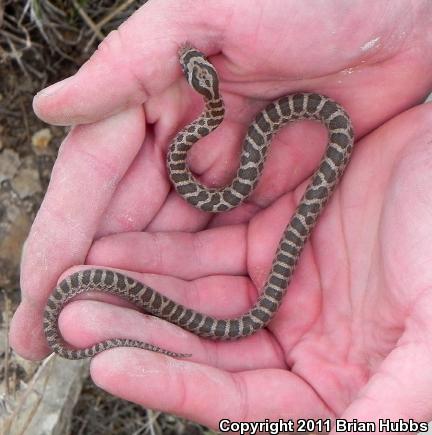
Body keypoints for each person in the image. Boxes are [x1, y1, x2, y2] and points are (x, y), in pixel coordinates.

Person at [9, 0, 432, 431]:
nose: (189, 59)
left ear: (200, 85)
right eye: (193, 63)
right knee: (91, 282)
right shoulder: (211, 132)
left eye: (193, 63)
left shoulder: (321, 122)